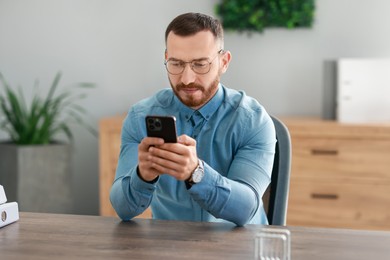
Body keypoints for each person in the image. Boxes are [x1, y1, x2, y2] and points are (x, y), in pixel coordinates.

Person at [110, 12, 276, 226]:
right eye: (176, 64)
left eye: (200, 64)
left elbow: (245, 209)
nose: (187, 79)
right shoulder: (140, 117)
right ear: (166, 59)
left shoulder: (253, 120)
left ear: (224, 62)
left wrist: (196, 173)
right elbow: (123, 210)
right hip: (169, 246)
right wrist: (142, 176)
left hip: (238, 248)